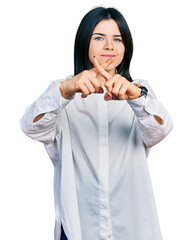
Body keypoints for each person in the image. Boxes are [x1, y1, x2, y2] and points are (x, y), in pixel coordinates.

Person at [20, 6, 173, 240]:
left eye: (118, 39)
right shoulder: (63, 94)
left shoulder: (139, 91)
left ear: (126, 47)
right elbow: (31, 127)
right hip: (78, 227)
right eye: (99, 37)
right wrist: (64, 90)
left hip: (131, 226)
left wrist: (136, 96)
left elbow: (160, 130)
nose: (109, 46)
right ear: (84, 43)